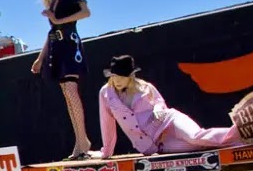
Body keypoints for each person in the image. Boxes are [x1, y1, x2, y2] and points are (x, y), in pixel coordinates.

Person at [96, 54, 241, 158]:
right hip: (157, 143)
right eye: (114, 76)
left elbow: (159, 102)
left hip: (168, 120)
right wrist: (106, 152)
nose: (117, 80)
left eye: (122, 77)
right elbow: (107, 123)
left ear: (130, 76)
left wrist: (158, 109)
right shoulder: (106, 94)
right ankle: (240, 139)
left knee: (196, 136)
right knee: (199, 146)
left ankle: (242, 132)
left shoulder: (145, 87)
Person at [29, 0, 94, 160]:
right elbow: (53, 30)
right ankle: (80, 140)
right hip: (57, 44)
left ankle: (82, 141)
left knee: (71, 91)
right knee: (67, 93)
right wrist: (41, 57)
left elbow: (85, 12)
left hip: (69, 44)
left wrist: (57, 18)